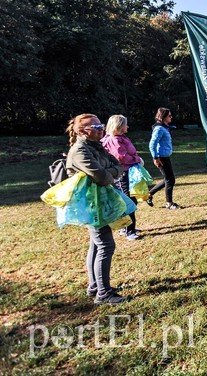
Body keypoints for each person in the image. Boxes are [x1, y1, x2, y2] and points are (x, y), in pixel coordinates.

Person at [65, 113, 127, 304]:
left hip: (100, 201)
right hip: (91, 204)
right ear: (83, 131)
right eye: (96, 127)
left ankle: (95, 286)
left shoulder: (95, 146)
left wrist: (112, 171)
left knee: (96, 243)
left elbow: (117, 165)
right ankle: (104, 294)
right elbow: (102, 177)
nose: (101, 129)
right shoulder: (80, 151)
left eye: (101, 125)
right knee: (106, 244)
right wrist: (112, 172)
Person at [101, 115, 144, 240]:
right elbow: (121, 157)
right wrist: (137, 159)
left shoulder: (119, 138)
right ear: (119, 126)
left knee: (127, 200)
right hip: (122, 174)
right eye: (125, 124)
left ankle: (125, 227)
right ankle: (129, 231)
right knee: (129, 202)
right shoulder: (115, 140)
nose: (128, 126)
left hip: (125, 173)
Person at [147, 107, 181, 210]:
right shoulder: (159, 128)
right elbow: (152, 144)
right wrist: (155, 158)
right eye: (169, 115)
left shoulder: (163, 127)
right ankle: (169, 203)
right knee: (170, 180)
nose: (171, 117)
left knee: (168, 179)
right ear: (163, 117)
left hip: (165, 156)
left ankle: (149, 194)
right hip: (161, 157)